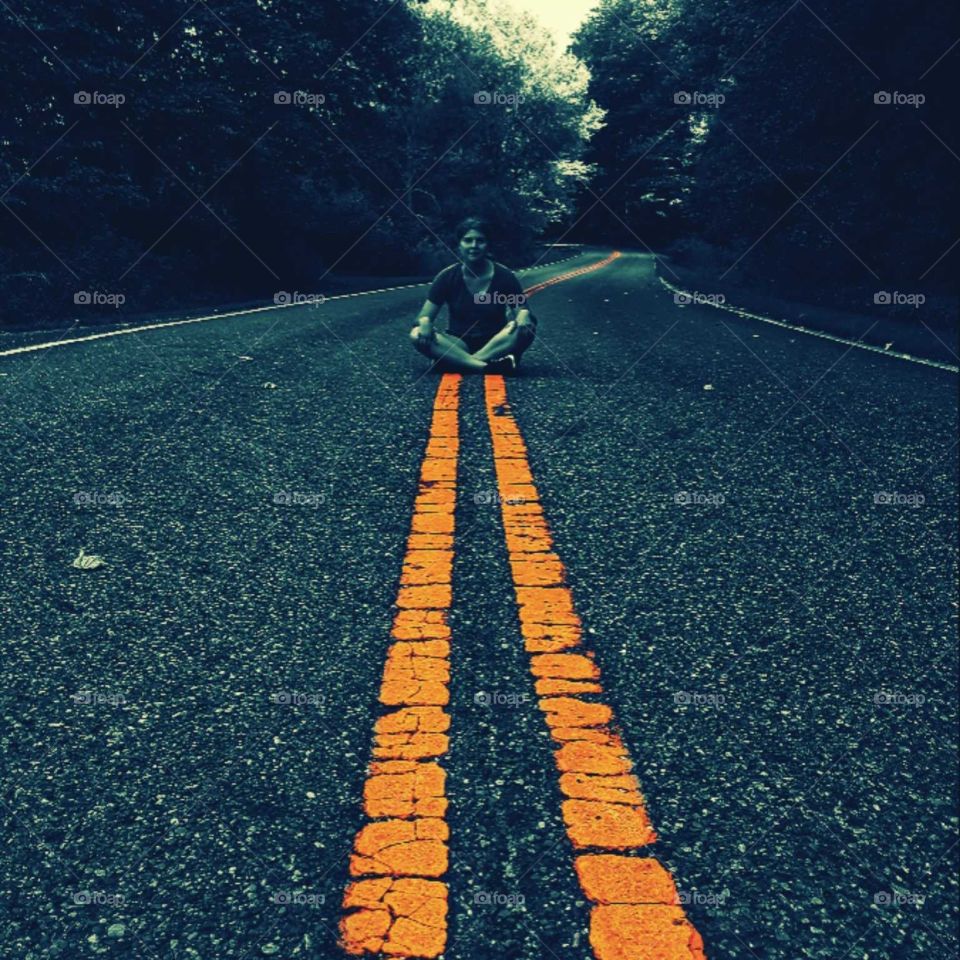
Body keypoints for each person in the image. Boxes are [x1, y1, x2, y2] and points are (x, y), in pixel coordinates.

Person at [410, 216, 537, 374]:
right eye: (468, 240)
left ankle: (456, 362)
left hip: (496, 342)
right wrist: (424, 322)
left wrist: (524, 314)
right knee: (416, 334)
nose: (474, 246)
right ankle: (486, 366)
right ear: (459, 245)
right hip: (458, 342)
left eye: (480, 241)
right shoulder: (447, 277)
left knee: (527, 328)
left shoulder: (504, 276)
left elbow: (522, 311)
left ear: (488, 245)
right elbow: (423, 317)